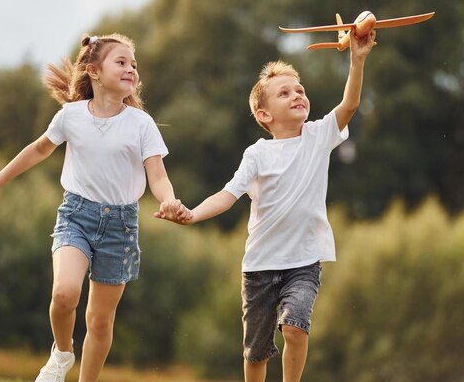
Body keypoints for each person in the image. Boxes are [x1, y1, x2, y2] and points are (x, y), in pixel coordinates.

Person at [0, 33, 183, 382]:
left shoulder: (142, 124)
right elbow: (37, 149)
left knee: (99, 320)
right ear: (94, 71)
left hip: (120, 226)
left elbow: (157, 175)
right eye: (121, 62)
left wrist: (168, 200)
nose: (131, 70)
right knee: (64, 294)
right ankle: (62, 354)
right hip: (76, 216)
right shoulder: (71, 116)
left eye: (134, 65)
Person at [157, 27, 376, 382]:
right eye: (284, 92)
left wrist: (357, 60)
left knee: (295, 327)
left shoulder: (318, 136)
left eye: (300, 90)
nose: (297, 95)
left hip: (303, 262)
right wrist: (192, 214)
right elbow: (228, 196)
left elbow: (350, 104)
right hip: (259, 266)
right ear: (264, 116)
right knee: (256, 353)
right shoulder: (257, 154)